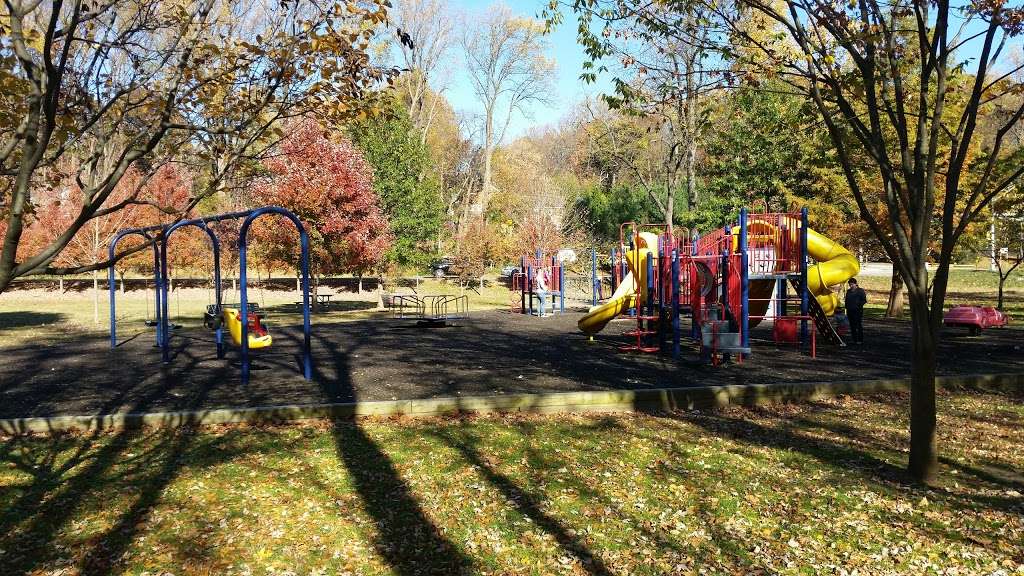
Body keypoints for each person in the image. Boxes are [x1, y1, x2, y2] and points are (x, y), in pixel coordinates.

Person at [844, 278, 868, 344]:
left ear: (855, 284)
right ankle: (854, 339)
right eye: (849, 285)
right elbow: (846, 300)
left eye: (852, 284)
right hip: (850, 311)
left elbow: (864, 300)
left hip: (858, 311)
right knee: (852, 325)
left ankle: (860, 339)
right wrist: (846, 307)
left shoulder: (860, 291)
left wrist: (858, 305)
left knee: (858, 325)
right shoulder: (848, 291)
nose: (851, 286)